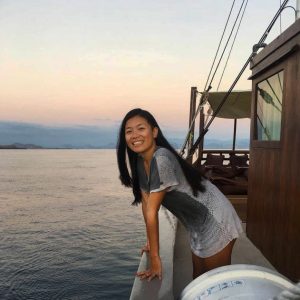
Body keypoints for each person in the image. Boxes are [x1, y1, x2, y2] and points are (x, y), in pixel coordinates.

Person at [117, 108, 243, 281]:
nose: (134, 135)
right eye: (128, 131)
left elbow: (152, 212)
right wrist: (150, 242)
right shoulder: (141, 162)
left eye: (141, 128)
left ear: (154, 132)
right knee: (198, 280)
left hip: (216, 219)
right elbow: (146, 205)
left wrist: (155, 259)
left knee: (214, 285)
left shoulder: (162, 159)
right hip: (196, 225)